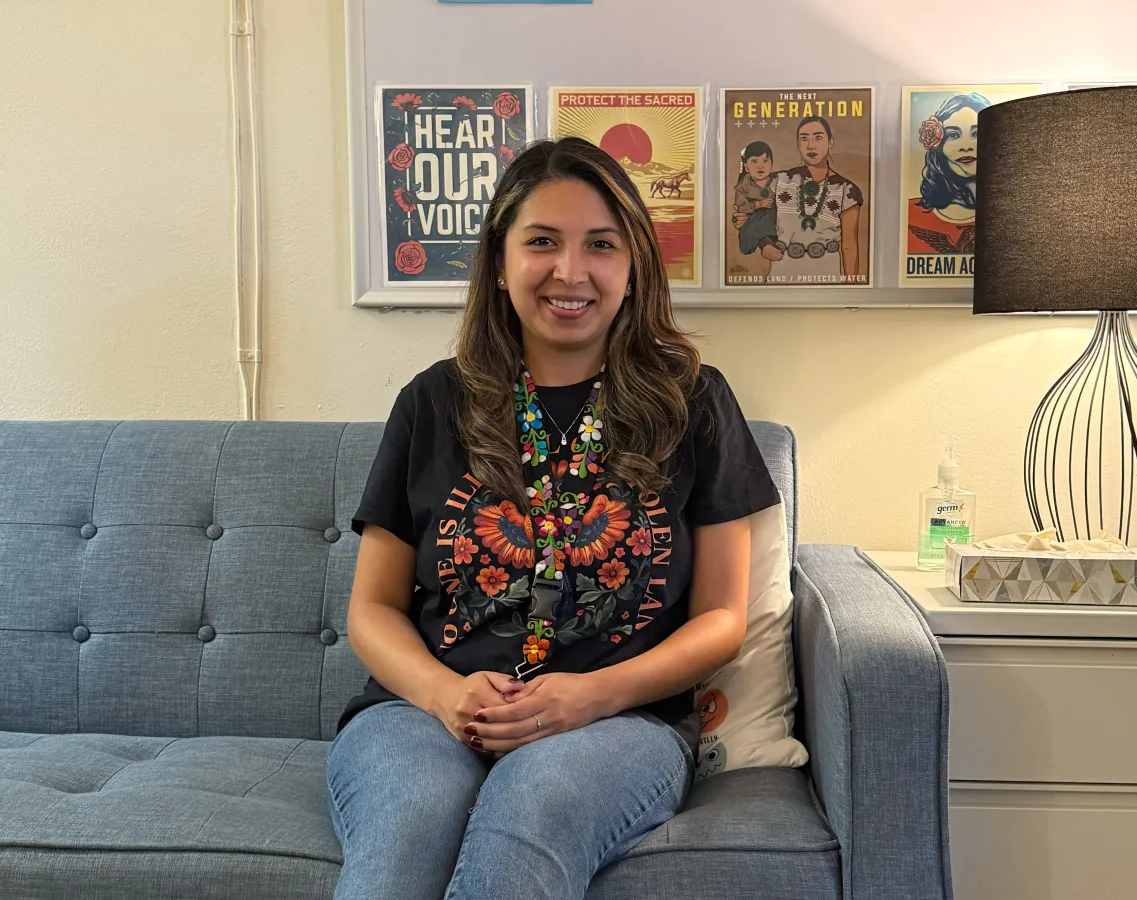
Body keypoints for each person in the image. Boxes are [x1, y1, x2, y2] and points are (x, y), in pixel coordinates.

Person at [327, 136, 780, 900]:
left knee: (529, 816)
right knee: (408, 828)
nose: (571, 272)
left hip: (618, 724)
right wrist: (445, 693)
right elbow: (371, 609)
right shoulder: (434, 402)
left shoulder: (694, 401)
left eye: (600, 245)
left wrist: (590, 695)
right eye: (542, 242)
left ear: (633, 266)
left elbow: (721, 621)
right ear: (500, 265)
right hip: (427, 713)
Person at [765, 116, 865, 283]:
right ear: (798, 144)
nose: (811, 145)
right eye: (804, 139)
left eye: (818, 137)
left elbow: (849, 244)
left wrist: (851, 287)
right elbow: (760, 223)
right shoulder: (779, 181)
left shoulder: (847, 190)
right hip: (782, 274)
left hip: (826, 273)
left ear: (830, 142)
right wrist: (764, 244)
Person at [908, 92, 989, 255]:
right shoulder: (913, 213)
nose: (965, 146)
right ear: (938, 145)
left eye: (976, 134)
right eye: (953, 135)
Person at [731, 141, 783, 260]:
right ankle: (765, 245)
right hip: (754, 219)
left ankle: (771, 243)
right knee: (755, 224)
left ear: (771, 164)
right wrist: (757, 204)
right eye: (754, 161)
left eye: (765, 161)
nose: (760, 166)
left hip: (776, 221)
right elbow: (741, 207)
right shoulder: (743, 187)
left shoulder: (777, 181)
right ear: (746, 167)